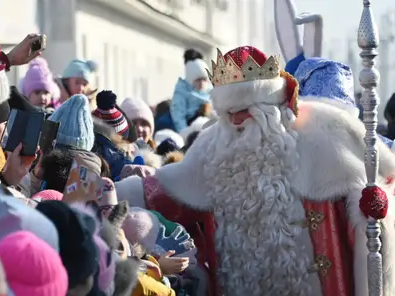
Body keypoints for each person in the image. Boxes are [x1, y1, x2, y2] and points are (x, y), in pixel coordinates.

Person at [115, 46, 395, 296]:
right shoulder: (214, 146)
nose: (236, 121)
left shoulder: (322, 134)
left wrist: (375, 206)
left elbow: (378, 179)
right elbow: (172, 193)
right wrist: (120, 193)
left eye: (245, 110)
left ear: (269, 106)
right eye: (228, 113)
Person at [170, 49, 213, 133]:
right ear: (191, 80)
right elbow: (178, 116)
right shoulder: (182, 92)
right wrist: (186, 134)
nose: (201, 83)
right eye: (198, 80)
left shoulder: (211, 92)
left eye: (204, 79)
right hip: (191, 130)